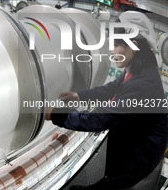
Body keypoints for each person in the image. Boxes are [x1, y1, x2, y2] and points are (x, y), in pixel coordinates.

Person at [46, 11, 167, 190]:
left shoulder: (142, 84)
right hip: (135, 150)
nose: (112, 51)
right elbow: (111, 88)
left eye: (116, 45)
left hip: (139, 167)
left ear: (133, 46)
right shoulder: (138, 69)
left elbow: (100, 119)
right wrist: (79, 95)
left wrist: (57, 115)